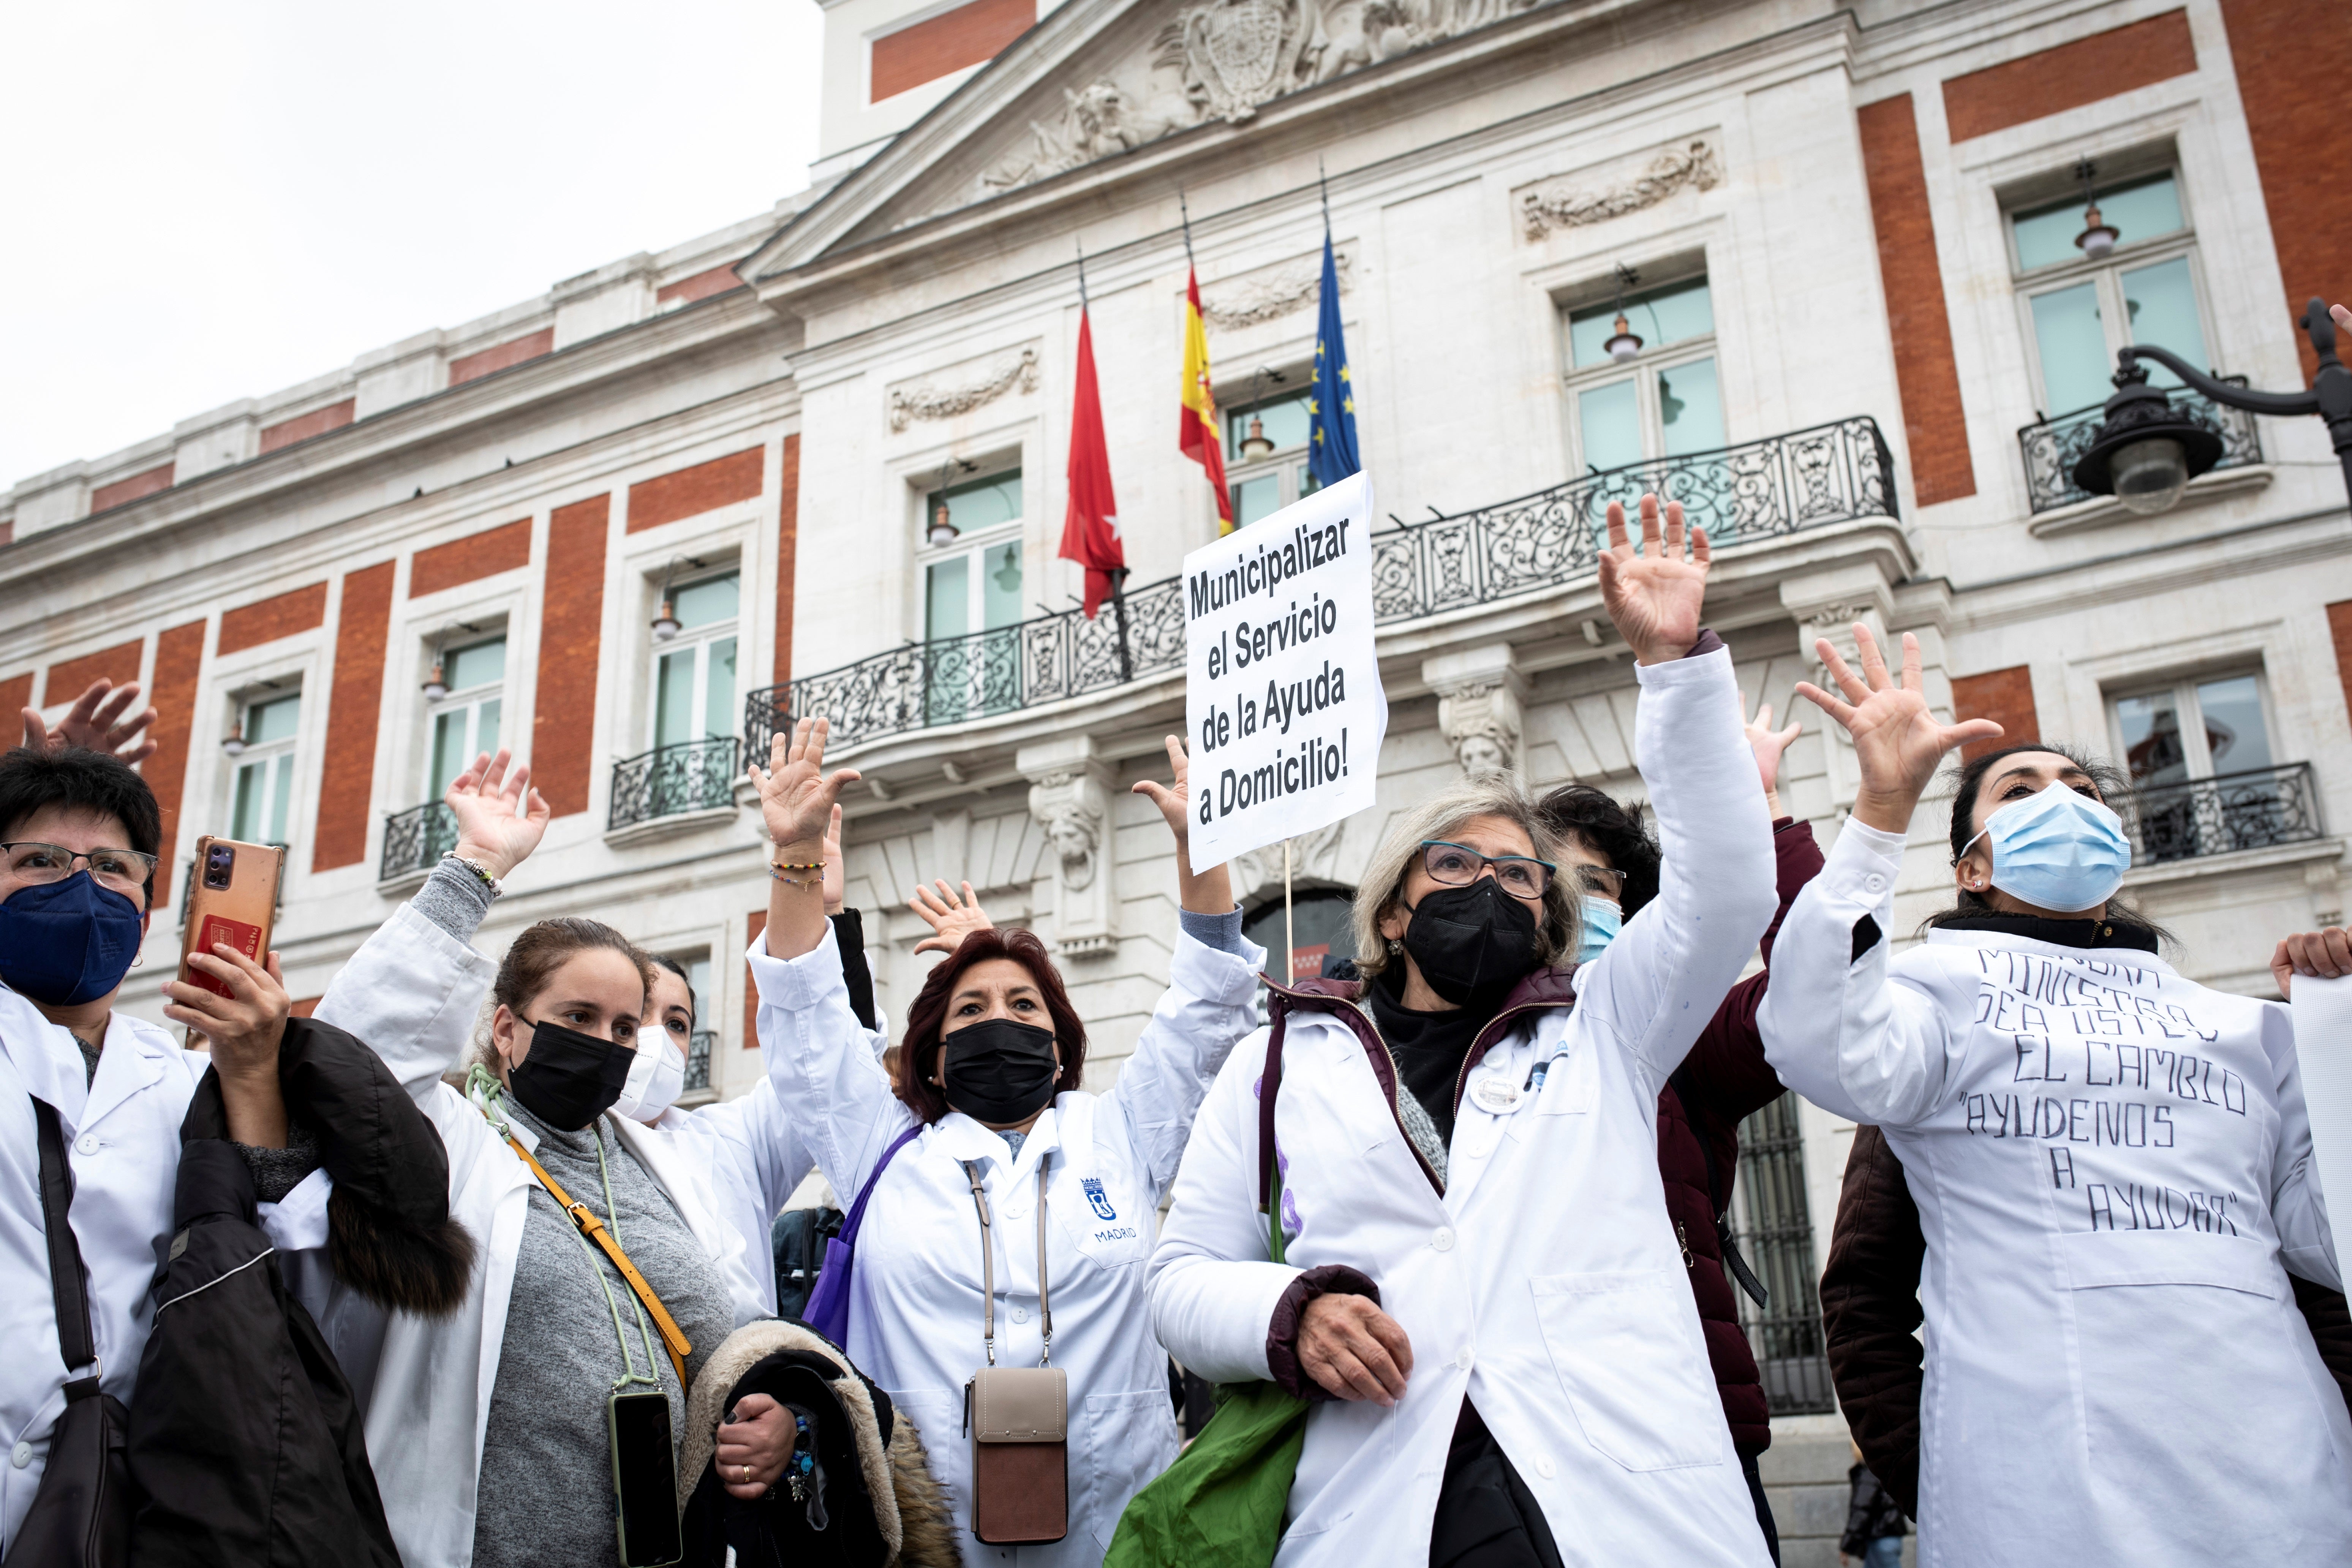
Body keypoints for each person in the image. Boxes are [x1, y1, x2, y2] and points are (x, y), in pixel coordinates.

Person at [1149, 495, 1781, 1566]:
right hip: (1386, 1489)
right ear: (1394, 909)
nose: (1487, 885)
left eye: (1519, 876)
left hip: (1610, 1488)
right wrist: (1290, 1315)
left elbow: (1725, 894)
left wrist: (1676, 668)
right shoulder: (1275, 1062)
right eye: (1454, 865)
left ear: (1548, 918)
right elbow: (1179, 1279)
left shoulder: (1607, 1027)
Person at [1757, 625, 2352, 1563]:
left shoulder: (2244, 1029)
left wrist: (2341, 1035)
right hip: (2042, 1485)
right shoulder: (1926, 1001)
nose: (2061, 802)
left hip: (2277, 1472)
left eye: (2081, 789)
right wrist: (1878, 807)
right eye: (2020, 791)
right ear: (1972, 867)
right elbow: (1812, 1037)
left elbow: (2325, 1243)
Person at [748, 714, 1266, 1563]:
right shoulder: (882, 1149)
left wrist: (1200, 848)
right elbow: (806, 1022)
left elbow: (1210, 1006)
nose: (1001, 1021)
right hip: (922, 1539)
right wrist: (797, 859)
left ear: (1060, 1047)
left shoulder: (1119, 1134)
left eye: (1025, 1008)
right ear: (938, 1059)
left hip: (1115, 1531)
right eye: (973, 1011)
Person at [308, 750, 787, 1568]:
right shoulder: (449, 1140)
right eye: (577, 1015)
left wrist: (771, 1413)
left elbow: (728, 1330)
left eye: (624, 1027)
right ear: (505, 1029)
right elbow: (355, 1051)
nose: (605, 1042)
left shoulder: (659, 1163)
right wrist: (477, 868)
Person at [1819, 921, 2352, 1521]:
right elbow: (1864, 1298)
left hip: (2270, 1490)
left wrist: (2335, 1029)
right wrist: (1944, 1488)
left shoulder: (2222, 1042)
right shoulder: (1931, 1062)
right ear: (1974, 874)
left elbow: (2312, 1274)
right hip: (2044, 1499)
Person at [1534, 695, 1814, 1564]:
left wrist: (1764, 814)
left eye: (1598, 885)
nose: (1574, 904)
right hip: (1528, 1438)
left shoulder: (1679, 1036)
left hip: (1691, 1430)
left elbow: (1812, 997)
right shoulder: (1447, 1047)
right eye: (1548, 881)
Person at [1837, 1445, 1905, 1568]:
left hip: (1880, 1540)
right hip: (1889, 1539)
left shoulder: (1868, 1473)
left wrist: (1847, 1545)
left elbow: (1861, 1510)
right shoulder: (1884, 1468)